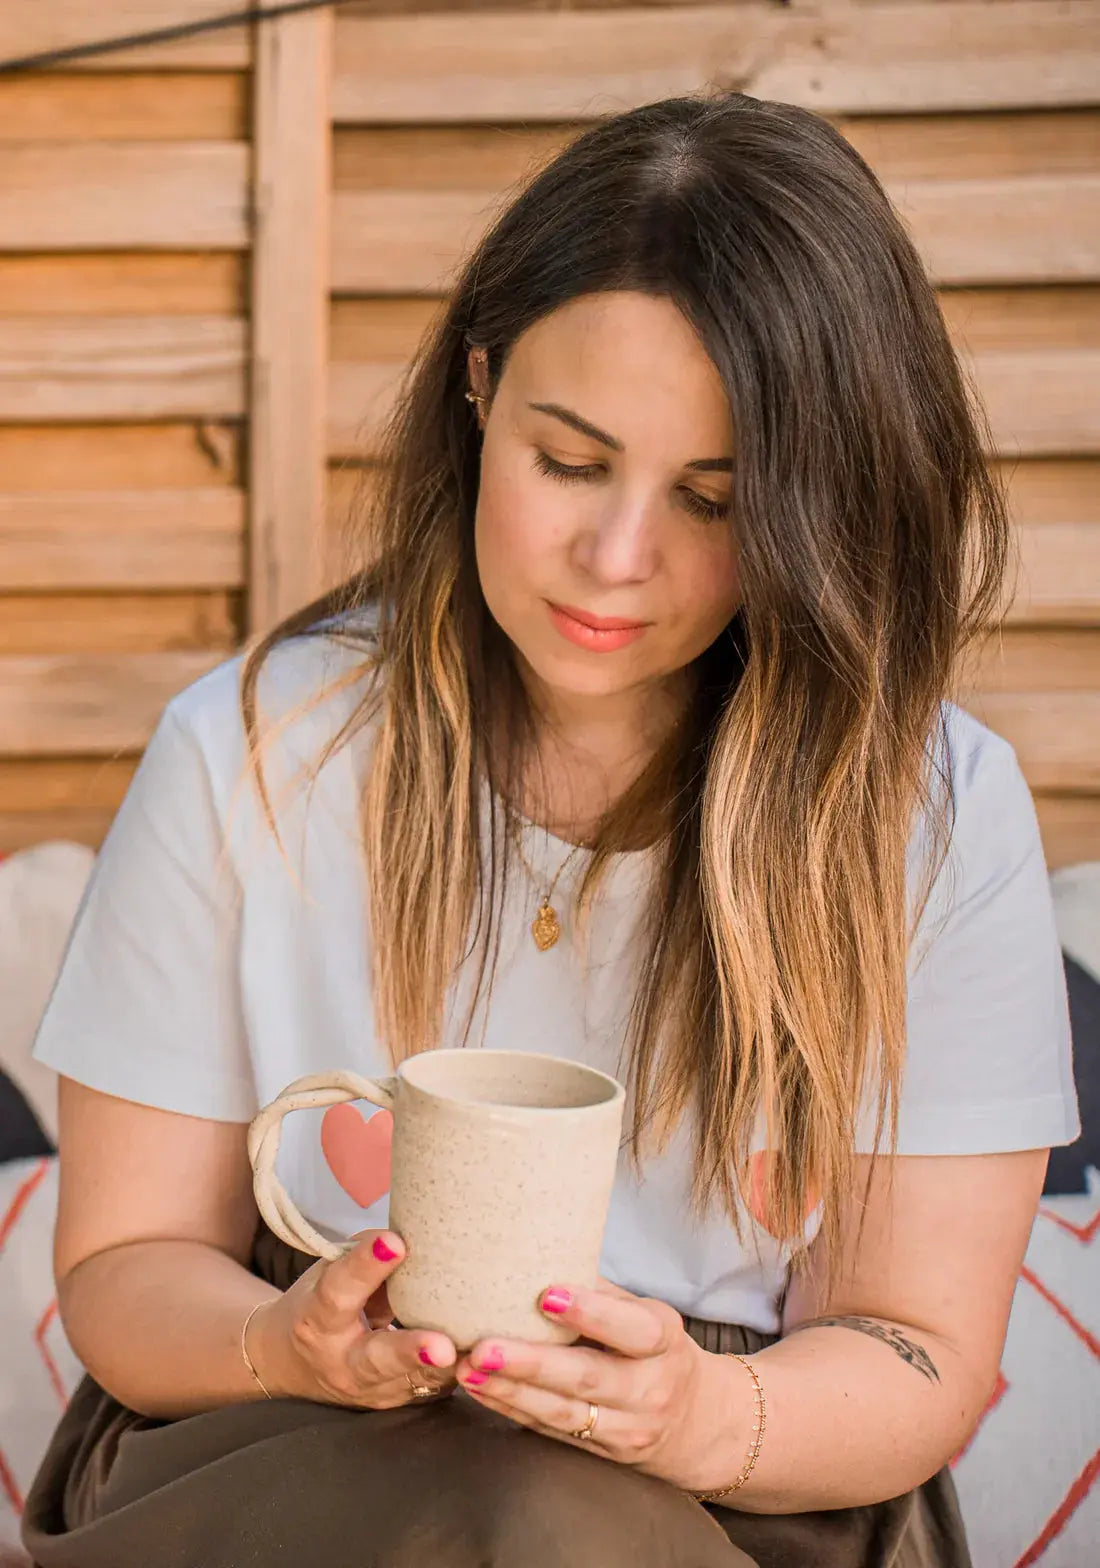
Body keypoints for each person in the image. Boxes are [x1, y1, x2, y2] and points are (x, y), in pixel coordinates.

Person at [23, 91, 1078, 1568]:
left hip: (742, 1486)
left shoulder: (931, 816)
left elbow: (914, 1349)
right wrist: (294, 1342)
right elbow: (128, 1275)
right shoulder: (257, 747)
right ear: (477, 385)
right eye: (569, 462)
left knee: (543, 1518)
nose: (617, 558)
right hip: (273, 1440)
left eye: (716, 499)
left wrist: (699, 1418)